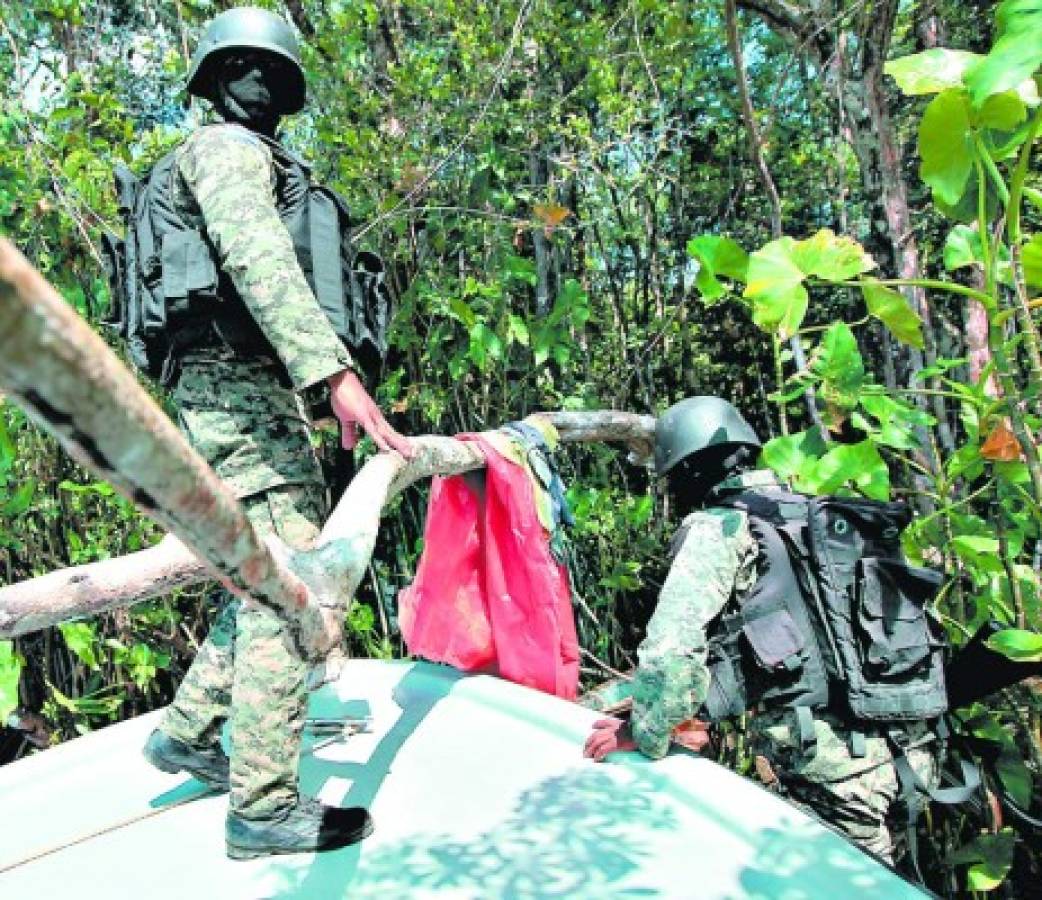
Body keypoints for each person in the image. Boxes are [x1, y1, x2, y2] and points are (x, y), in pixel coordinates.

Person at [136, 7, 413, 860]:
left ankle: (188, 732)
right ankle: (262, 805)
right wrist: (334, 376)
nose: (259, 83)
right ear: (217, 81)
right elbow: (255, 254)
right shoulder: (224, 150)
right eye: (242, 68)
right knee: (292, 572)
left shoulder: (248, 151)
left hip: (240, 380)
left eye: (271, 69)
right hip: (232, 380)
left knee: (263, 567)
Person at [583, 397, 942, 866]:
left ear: (688, 472)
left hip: (833, 774)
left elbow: (672, 651)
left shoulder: (721, 527)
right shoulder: (818, 518)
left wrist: (642, 730)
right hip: (919, 755)